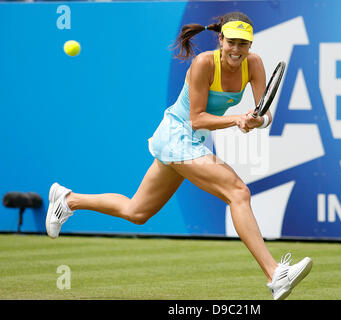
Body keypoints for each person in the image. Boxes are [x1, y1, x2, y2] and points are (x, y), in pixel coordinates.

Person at [45, 11, 312, 300]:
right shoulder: (203, 64)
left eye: (243, 44)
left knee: (137, 212)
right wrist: (237, 119)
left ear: (250, 45)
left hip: (191, 142)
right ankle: (275, 274)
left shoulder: (255, 64)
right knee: (238, 192)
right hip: (176, 135)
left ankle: (67, 200)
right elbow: (196, 118)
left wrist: (255, 120)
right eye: (231, 42)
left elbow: (266, 114)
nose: (237, 50)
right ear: (220, 39)